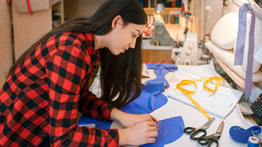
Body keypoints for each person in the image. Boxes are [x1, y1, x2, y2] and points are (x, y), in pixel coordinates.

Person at [0, 0, 158, 146]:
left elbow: (78, 95)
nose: (133, 45)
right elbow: (63, 140)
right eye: (134, 34)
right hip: (15, 138)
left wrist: (119, 115)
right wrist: (125, 136)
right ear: (116, 22)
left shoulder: (87, 45)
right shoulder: (71, 51)